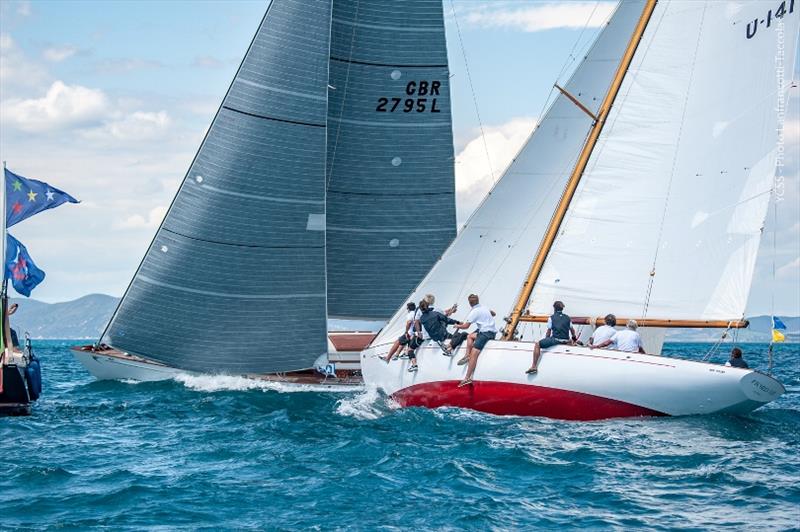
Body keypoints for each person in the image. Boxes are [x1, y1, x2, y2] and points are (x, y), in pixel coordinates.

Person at [452, 294, 498, 387]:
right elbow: (494, 314)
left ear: (469, 303)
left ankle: (467, 377)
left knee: (474, 353)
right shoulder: (484, 307)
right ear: (478, 300)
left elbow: (466, 326)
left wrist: (457, 326)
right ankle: (466, 356)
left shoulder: (474, 311)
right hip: (491, 332)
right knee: (470, 336)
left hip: (485, 333)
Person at [526, 301, 577, 374]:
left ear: (554, 308)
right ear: (562, 309)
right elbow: (572, 330)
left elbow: (548, 331)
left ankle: (534, 366)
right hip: (566, 340)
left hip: (556, 340)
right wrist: (574, 338)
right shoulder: (568, 318)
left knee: (537, 344)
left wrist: (547, 339)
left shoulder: (551, 318)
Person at [417, 300, 464, 370]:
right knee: (462, 334)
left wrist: (451, 310)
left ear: (420, 309)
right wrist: (457, 322)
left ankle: (443, 343)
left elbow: (436, 318)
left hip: (434, 338)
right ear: (428, 306)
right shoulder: (435, 313)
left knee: (437, 323)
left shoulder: (422, 319)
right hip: (443, 335)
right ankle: (450, 348)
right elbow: (446, 319)